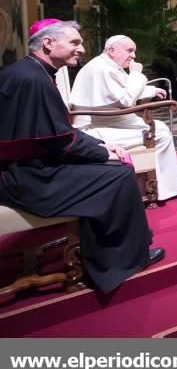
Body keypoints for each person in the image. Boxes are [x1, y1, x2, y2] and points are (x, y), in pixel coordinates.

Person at [0, 19, 163, 293]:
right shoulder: (33, 80)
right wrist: (102, 153)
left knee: (114, 169)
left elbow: (58, 132)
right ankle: (120, 261)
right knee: (119, 174)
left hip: (24, 167)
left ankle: (112, 252)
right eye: (75, 42)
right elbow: (58, 142)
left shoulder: (28, 71)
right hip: (27, 178)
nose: (82, 49)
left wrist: (103, 147)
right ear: (49, 43)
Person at [70, 35, 177, 201]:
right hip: (95, 129)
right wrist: (136, 74)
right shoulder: (100, 68)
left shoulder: (107, 65)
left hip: (110, 121)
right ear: (111, 50)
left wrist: (151, 91)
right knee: (159, 131)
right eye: (129, 51)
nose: (133, 56)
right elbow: (125, 100)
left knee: (158, 127)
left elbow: (122, 90)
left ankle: (163, 178)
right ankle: (158, 186)